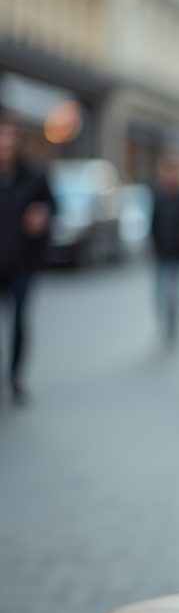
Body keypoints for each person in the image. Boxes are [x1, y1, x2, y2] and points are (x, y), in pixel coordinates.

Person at [0, 119, 55, 403]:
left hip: (23, 261)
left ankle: (15, 375)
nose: (5, 146)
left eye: (9, 140)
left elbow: (52, 205)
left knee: (19, 319)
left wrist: (42, 214)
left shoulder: (34, 176)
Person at [149, 155, 179, 347]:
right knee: (161, 292)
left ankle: (175, 324)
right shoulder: (158, 197)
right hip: (162, 253)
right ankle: (165, 325)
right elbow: (153, 225)